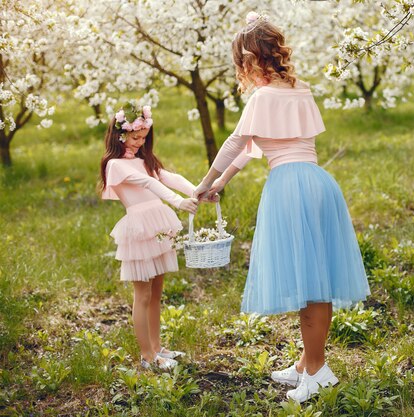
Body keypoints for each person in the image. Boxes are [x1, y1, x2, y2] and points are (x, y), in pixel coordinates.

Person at [194, 12, 370, 403]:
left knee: (308, 285)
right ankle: (308, 363)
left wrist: (203, 185)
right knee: (317, 277)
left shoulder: (263, 97)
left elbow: (235, 144)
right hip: (318, 182)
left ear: (252, 59)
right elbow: (258, 145)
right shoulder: (299, 89)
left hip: (290, 188)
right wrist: (222, 182)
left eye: (242, 61)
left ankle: (318, 371)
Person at [100, 102, 198, 370]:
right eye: (135, 137)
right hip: (140, 228)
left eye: (143, 137)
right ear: (120, 136)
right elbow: (148, 183)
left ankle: (157, 347)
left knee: (156, 292)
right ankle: (147, 355)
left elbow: (167, 177)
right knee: (142, 294)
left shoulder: (145, 160)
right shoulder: (115, 165)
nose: (140, 142)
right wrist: (178, 203)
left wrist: (198, 191)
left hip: (158, 224)